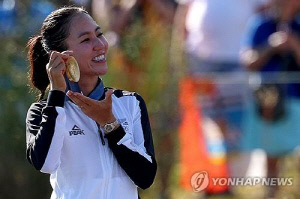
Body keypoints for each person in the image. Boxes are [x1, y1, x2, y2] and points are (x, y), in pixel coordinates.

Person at [25, 6, 157, 199]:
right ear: (61, 56)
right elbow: (45, 163)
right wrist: (56, 95)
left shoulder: (130, 103)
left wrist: (110, 125)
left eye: (99, 34)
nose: (100, 45)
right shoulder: (44, 110)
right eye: (86, 39)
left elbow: (145, 177)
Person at [241, 0, 300, 197]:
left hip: (296, 99)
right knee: (271, 155)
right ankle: (271, 194)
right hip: (268, 101)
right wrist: (271, 46)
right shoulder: (261, 24)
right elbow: (248, 61)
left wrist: (294, 45)